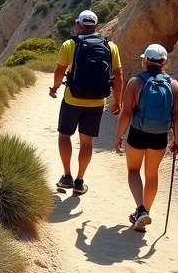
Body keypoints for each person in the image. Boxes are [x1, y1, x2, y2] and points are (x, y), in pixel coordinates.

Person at [48, 10, 123, 194]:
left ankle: (66, 177)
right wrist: (118, 100)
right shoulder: (110, 46)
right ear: (96, 26)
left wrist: (55, 87)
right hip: (97, 101)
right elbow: (118, 75)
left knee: (65, 136)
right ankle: (80, 182)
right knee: (86, 142)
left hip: (73, 99)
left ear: (78, 25)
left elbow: (60, 70)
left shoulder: (70, 44)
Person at [114, 43, 178, 231]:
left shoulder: (135, 82)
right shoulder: (173, 84)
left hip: (138, 133)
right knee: (151, 174)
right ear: (164, 62)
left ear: (145, 60)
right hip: (160, 136)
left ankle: (141, 210)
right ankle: (144, 214)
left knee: (133, 171)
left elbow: (126, 113)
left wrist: (119, 136)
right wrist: (176, 140)